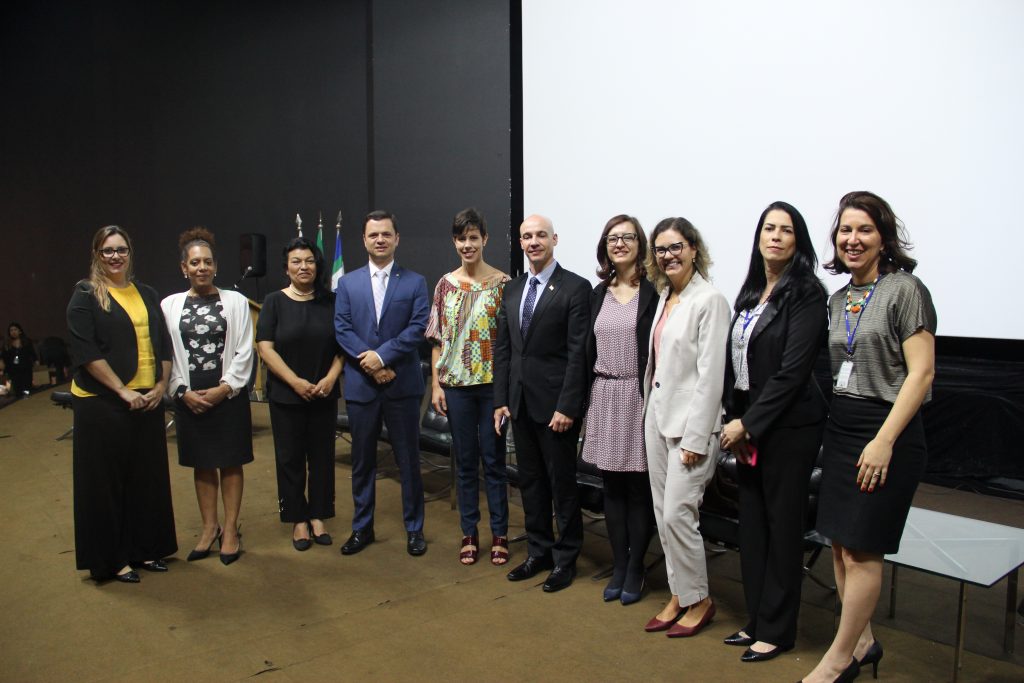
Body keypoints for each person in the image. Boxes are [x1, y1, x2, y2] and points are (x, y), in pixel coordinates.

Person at [801, 191, 936, 683]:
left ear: (883, 238)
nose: (852, 240)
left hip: (888, 431)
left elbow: (921, 376)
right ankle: (863, 642)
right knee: (839, 545)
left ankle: (839, 660)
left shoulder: (904, 290)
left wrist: (883, 441)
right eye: (845, 231)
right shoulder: (840, 299)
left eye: (864, 230)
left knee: (862, 550)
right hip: (843, 428)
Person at [718, 202, 828, 662]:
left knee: (783, 530)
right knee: (754, 528)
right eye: (769, 228)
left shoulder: (807, 294)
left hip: (787, 428)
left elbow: (792, 372)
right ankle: (757, 620)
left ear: (797, 240)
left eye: (786, 230)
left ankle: (779, 630)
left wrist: (748, 424)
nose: (776, 236)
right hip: (748, 428)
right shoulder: (750, 292)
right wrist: (732, 416)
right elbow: (737, 363)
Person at [66, 225, 177, 583]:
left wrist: (161, 384)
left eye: (122, 250)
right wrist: (121, 390)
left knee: (146, 480)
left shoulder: (145, 293)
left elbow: (161, 344)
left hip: (147, 399)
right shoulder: (85, 295)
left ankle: (146, 550)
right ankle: (113, 559)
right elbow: (87, 352)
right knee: (106, 485)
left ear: (131, 253)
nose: (116, 257)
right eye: (108, 251)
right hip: (104, 404)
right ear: (97, 255)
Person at [493, 214, 591, 593]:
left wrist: (568, 406)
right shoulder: (513, 289)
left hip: (556, 410)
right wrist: (501, 399)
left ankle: (566, 559)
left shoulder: (575, 288)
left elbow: (578, 353)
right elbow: (504, 349)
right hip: (519, 403)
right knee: (530, 483)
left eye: (540, 235)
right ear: (520, 243)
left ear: (555, 239)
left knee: (561, 485)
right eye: (526, 236)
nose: (533, 242)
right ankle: (539, 552)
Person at [642, 217, 730, 637]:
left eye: (676, 246)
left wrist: (697, 438)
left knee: (679, 512)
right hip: (657, 419)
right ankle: (680, 593)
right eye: (660, 249)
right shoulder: (664, 296)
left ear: (694, 249)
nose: (668, 255)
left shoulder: (709, 300)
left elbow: (711, 376)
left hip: (691, 429)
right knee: (663, 514)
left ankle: (701, 600)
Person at [334, 210, 430, 557]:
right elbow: (342, 329)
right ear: (364, 240)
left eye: (386, 234)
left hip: (402, 387)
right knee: (362, 462)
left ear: (396, 239)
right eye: (373, 235)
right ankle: (362, 528)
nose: (380, 240)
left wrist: (383, 356)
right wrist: (372, 364)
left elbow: (418, 327)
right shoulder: (347, 284)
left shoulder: (415, 282)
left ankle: (415, 529)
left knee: (409, 461)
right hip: (362, 386)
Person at [162, 227, 254, 566]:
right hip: (189, 394)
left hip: (227, 394)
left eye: (208, 262)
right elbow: (166, 354)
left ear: (216, 266)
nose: (202, 267)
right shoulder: (169, 305)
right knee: (201, 464)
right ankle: (208, 527)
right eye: (195, 262)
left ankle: (230, 529)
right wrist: (181, 392)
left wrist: (224, 388)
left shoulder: (236, 301)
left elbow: (245, 350)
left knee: (230, 461)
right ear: (183, 267)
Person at [426, 208, 511, 566]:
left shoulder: (503, 284)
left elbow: (508, 344)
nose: (467, 244)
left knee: (493, 461)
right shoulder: (445, 285)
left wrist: (504, 396)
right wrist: (436, 385)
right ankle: (469, 532)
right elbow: (436, 340)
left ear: (485, 240)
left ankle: (500, 534)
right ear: (454, 242)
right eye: (461, 238)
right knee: (464, 463)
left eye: (473, 237)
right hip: (456, 387)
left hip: (492, 388)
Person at [581, 214, 658, 604]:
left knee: (638, 487)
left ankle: (636, 566)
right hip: (606, 393)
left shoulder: (655, 292)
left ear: (640, 244)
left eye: (628, 237)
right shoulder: (598, 293)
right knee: (611, 486)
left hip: (640, 396)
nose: (620, 243)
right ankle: (619, 563)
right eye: (613, 238)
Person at [256, 237, 343, 551]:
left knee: (321, 458)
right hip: (286, 394)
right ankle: (297, 519)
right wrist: (294, 381)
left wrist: (332, 378)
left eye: (309, 260)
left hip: (323, 393)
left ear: (317, 265)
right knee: (290, 458)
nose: (303, 266)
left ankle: (318, 515)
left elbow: (343, 346)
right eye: (296, 261)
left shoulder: (331, 302)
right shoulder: (273, 302)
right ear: (286, 268)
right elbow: (265, 347)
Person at [1, 322, 37, 396]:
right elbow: (3, 357)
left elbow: (32, 353)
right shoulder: (7, 344)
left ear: (20, 331)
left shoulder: (26, 341)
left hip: (26, 368)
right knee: (17, 389)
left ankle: (27, 400)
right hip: (13, 371)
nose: (13, 332)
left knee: (27, 388)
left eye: (15, 329)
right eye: (11, 330)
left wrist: (36, 361)